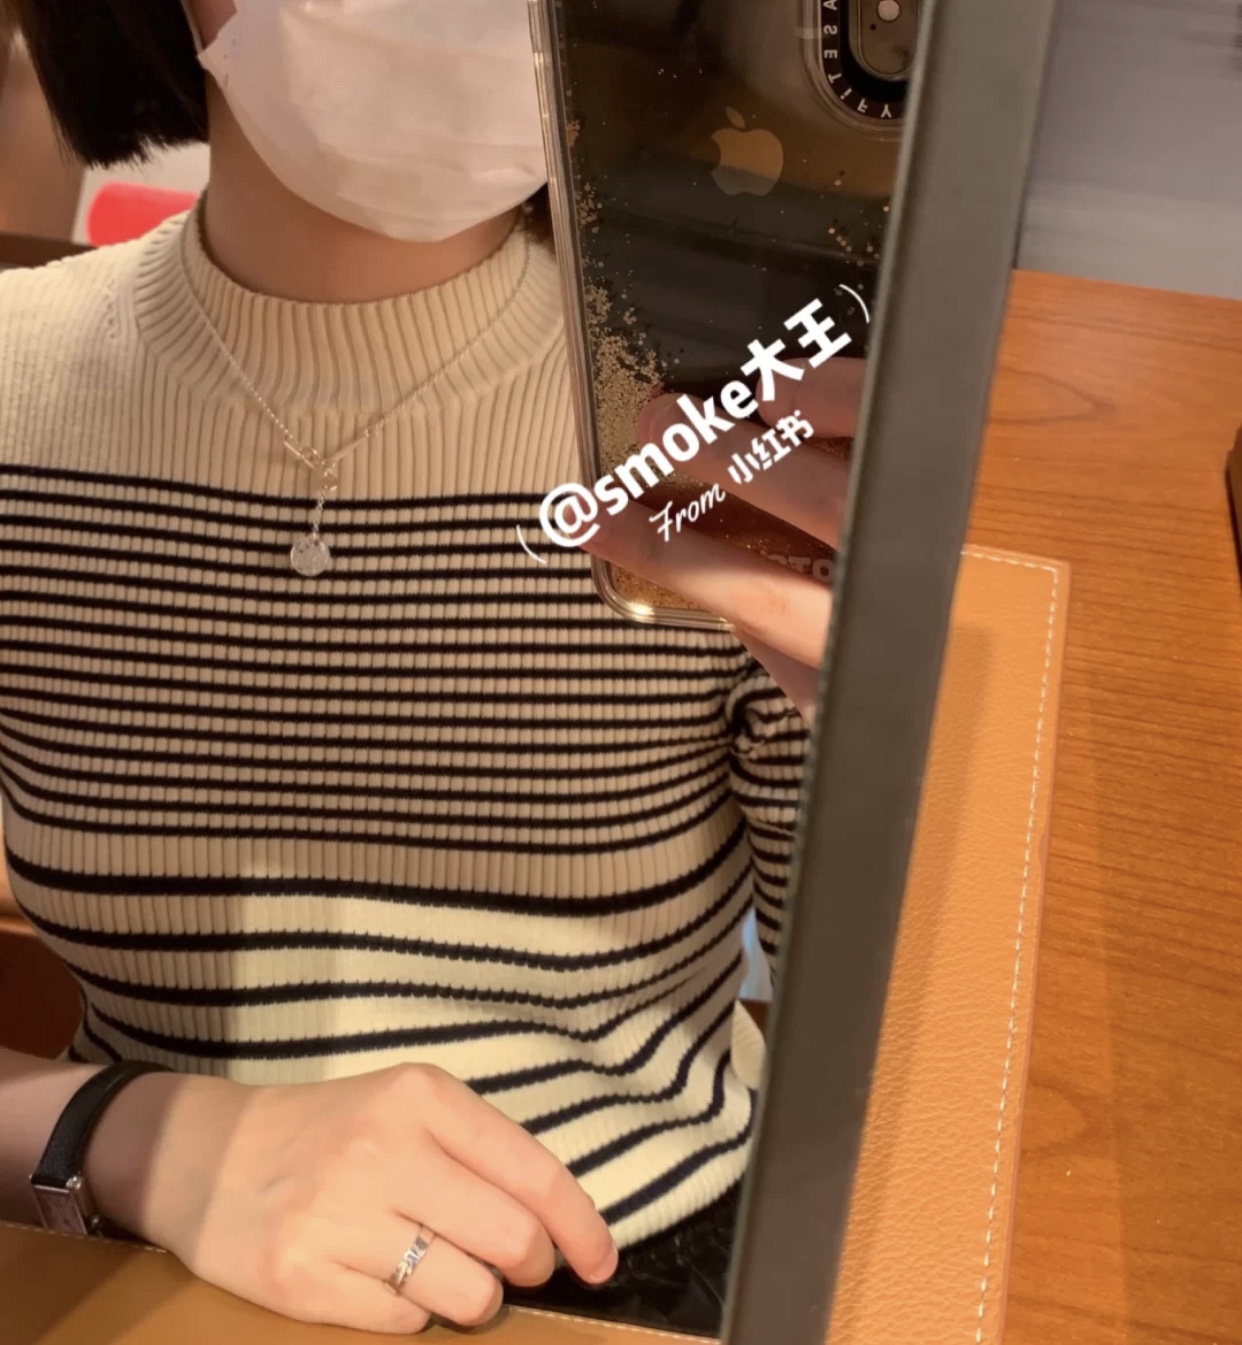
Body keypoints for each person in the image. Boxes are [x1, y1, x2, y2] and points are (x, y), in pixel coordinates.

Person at [0, 0, 854, 1335]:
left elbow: (897, 1068)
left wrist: (927, 733)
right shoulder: (15, 390)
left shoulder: (728, 433)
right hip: (118, 1270)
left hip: (648, 1283)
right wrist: (132, 1135)